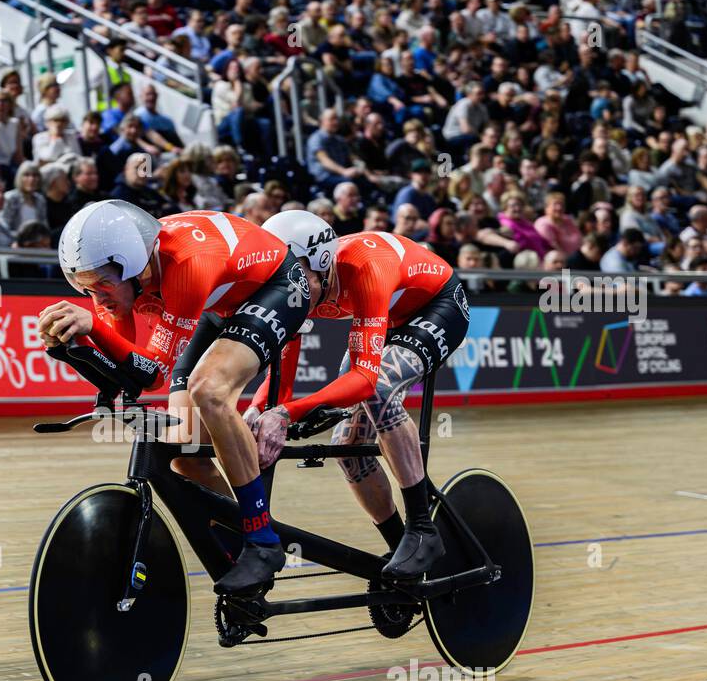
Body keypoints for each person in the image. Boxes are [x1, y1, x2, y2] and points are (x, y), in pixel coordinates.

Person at [37, 202, 315, 593]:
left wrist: (94, 330)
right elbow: (127, 370)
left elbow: (151, 374)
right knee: (184, 450)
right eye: (85, 288)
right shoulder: (131, 270)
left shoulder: (185, 264)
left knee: (209, 390)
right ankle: (240, 548)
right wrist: (70, 347)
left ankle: (263, 540)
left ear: (134, 266)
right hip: (223, 301)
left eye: (102, 285)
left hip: (279, 287)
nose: (96, 298)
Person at [249, 212, 471, 577]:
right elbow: (282, 376)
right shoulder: (301, 286)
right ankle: (402, 545)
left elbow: (365, 381)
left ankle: (422, 529)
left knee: (379, 386)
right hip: (386, 318)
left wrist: (290, 413)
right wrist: (259, 408)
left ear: (321, 261)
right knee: (349, 449)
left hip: (437, 307)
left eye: (295, 272)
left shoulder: (365, 264)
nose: (287, 284)